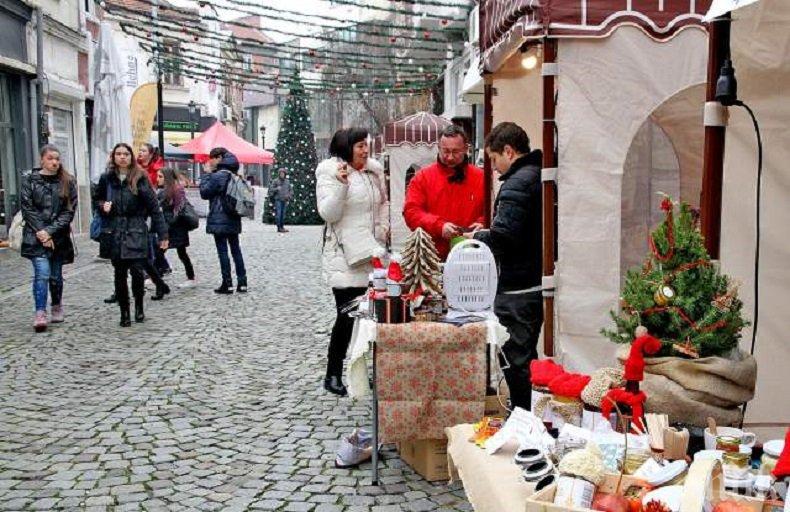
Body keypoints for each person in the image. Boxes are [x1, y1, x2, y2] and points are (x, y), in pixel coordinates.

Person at [465, 122, 543, 411]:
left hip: (517, 286)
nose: (494, 168)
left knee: (514, 358)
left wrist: (479, 236)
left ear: (508, 151)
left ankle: (521, 415)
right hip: (532, 280)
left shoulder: (517, 183)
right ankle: (526, 411)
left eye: (494, 159)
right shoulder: (535, 175)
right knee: (526, 356)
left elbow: (506, 238)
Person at [316, 128, 389, 396]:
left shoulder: (373, 171)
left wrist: (382, 228)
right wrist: (342, 186)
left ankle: (361, 372)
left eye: (366, 145)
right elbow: (329, 213)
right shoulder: (330, 171)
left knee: (370, 318)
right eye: (360, 145)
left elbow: (383, 202)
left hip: (370, 254)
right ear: (347, 147)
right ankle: (333, 374)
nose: (365, 150)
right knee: (347, 316)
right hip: (344, 257)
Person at [95, 143, 169, 327]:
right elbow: (97, 199)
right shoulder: (107, 178)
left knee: (137, 272)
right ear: (113, 157)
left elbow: (154, 208)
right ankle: (124, 312)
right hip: (115, 231)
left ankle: (139, 307)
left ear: (131, 157)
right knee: (119, 274)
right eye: (118, 154)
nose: (122, 157)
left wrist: (163, 235)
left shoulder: (140, 177)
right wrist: (102, 206)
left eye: (126, 154)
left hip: (136, 229)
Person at [403, 125, 485, 260]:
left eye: (456, 152)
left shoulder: (481, 178)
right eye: (445, 151)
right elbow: (411, 212)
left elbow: (492, 211)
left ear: (466, 149)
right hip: (432, 259)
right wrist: (439, 226)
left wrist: (482, 223)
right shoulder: (422, 178)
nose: (450, 157)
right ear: (438, 148)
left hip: (472, 257)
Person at [19, 145, 78, 332]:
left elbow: (68, 211)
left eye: (57, 159)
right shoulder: (29, 179)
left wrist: (50, 231)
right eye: (51, 158)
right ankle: (40, 312)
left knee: (55, 276)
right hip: (35, 236)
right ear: (42, 159)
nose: (55, 162)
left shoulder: (67, 181)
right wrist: (41, 232)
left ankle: (57, 304)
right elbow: (27, 208)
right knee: (42, 274)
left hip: (58, 237)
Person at [200, 147, 247, 294]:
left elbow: (204, 193)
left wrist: (207, 174)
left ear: (219, 158)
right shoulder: (234, 175)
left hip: (219, 217)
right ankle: (242, 282)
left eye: (211, 158)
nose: (209, 162)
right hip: (233, 216)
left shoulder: (217, 176)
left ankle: (227, 283)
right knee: (236, 249)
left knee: (222, 251)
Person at [156, 168, 196, 288]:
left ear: (167, 178)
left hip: (176, 228)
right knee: (163, 252)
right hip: (171, 227)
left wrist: (170, 222)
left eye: (160, 177)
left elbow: (179, 209)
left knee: (172, 252)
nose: (158, 179)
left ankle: (190, 278)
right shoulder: (164, 191)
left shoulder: (176, 190)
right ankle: (156, 276)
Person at [139, 143, 171, 276]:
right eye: (139, 150)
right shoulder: (135, 167)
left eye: (143, 150)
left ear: (150, 154)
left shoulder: (156, 169)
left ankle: (153, 271)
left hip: (151, 209)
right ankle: (159, 268)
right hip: (140, 209)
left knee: (152, 242)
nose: (140, 153)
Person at [269, 168, 293, 233]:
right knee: (279, 214)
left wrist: (289, 195)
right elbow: (271, 189)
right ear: (279, 174)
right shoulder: (275, 181)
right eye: (281, 173)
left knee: (283, 214)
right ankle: (279, 227)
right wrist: (277, 189)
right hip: (278, 200)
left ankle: (282, 227)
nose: (282, 175)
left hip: (285, 200)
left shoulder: (287, 181)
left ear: (285, 174)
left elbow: (291, 190)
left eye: (283, 173)